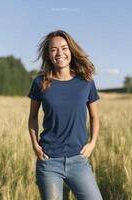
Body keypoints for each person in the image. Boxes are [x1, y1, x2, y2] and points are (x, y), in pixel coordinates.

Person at [28, 30, 103, 200]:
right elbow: (33, 117)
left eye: (64, 48)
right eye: (53, 49)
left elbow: (94, 117)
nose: (59, 53)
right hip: (49, 162)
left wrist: (92, 143)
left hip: (79, 161)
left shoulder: (86, 81)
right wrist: (35, 146)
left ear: (71, 50)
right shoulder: (40, 82)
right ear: (48, 54)